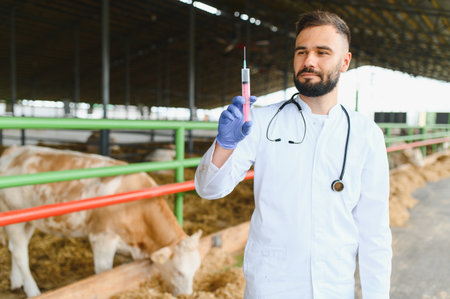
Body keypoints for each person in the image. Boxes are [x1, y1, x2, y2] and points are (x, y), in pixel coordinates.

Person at [195, 10, 391, 299]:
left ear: (345, 61)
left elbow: (374, 233)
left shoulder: (366, 134)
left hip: (334, 287)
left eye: (322, 52)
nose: (308, 61)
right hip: (271, 285)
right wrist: (224, 145)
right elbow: (208, 189)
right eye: (302, 52)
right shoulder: (260, 121)